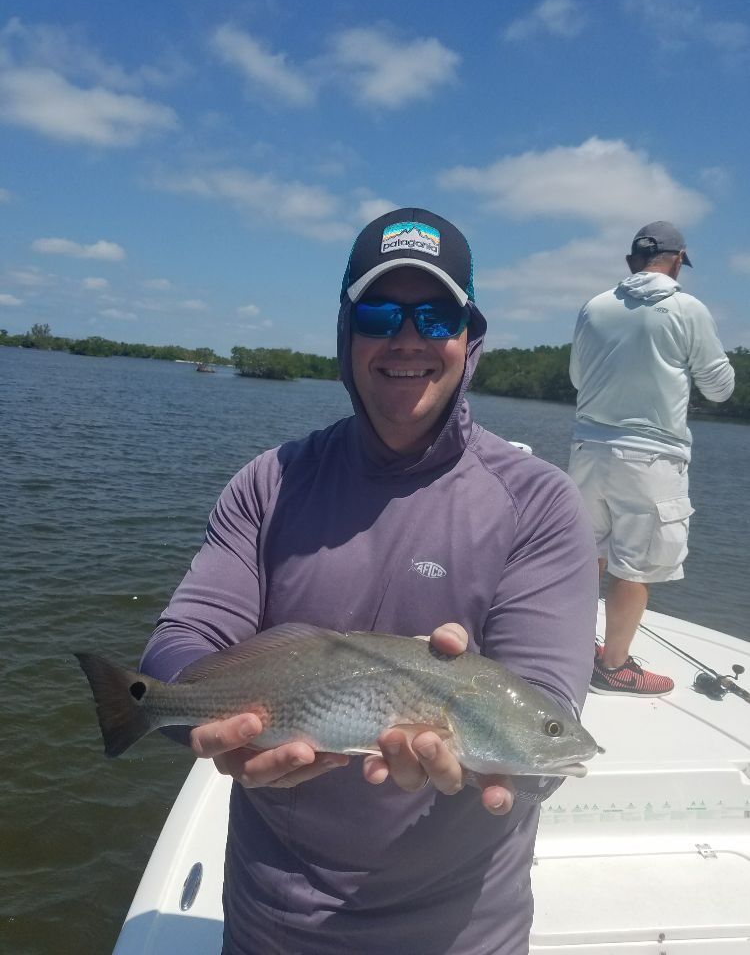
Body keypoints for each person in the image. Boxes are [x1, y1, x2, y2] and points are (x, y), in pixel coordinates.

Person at [141, 207, 598, 955]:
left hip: (462, 930)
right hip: (271, 920)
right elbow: (182, 639)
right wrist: (198, 715)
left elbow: (544, 709)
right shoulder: (269, 482)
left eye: (437, 314)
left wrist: (517, 769)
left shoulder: (540, 503)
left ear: (469, 337)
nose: (408, 338)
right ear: (345, 334)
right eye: (381, 313)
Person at [568, 220, 735, 697]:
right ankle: (614, 667)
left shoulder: (593, 307)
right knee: (635, 565)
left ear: (630, 262)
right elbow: (720, 390)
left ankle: (571, 651)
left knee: (586, 555)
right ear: (678, 260)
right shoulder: (689, 309)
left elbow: (580, 378)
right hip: (652, 457)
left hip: (588, 451)